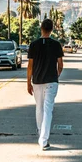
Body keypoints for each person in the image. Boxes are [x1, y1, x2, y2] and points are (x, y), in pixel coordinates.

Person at [27, 19, 64, 150]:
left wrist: (28, 83)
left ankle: (40, 132)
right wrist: (56, 76)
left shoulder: (33, 44)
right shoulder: (56, 44)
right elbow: (60, 65)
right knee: (48, 110)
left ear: (41, 28)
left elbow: (30, 66)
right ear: (52, 29)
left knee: (39, 107)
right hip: (51, 81)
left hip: (37, 81)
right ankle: (43, 140)